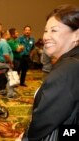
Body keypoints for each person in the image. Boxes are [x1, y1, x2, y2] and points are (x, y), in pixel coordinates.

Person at [17, 4, 79, 141]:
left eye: (54, 30)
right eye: (45, 31)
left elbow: (45, 121)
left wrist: (26, 138)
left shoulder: (68, 69)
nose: (46, 36)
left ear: (76, 35)